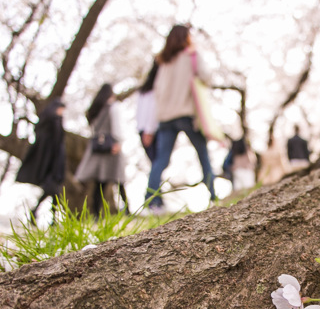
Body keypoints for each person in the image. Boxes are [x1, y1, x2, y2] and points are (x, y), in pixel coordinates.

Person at [144, 24, 217, 211]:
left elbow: (157, 91)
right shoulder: (191, 56)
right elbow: (207, 77)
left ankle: (151, 200)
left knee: (161, 159)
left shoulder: (164, 62)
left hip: (166, 117)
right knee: (202, 154)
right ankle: (213, 196)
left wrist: (153, 124)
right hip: (186, 114)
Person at [76, 83, 126, 216]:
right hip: (111, 146)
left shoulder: (95, 110)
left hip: (98, 149)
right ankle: (127, 211)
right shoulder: (112, 107)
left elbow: (93, 129)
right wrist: (118, 142)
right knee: (119, 179)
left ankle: (96, 214)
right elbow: (116, 127)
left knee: (99, 182)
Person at [15, 98, 66, 221]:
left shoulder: (45, 124)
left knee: (53, 192)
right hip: (53, 165)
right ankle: (50, 218)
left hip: (51, 165)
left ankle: (44, 216)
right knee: (54, 191)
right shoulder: (54, 122)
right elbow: (56, 144)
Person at [136, 60, 159, 163]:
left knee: (155, 161)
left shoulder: (143, 90)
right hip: (151, 129)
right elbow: (152, 109)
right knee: (158, 161)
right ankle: (155, 180)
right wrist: (149, 131)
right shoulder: (156, 88)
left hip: (142, 129)